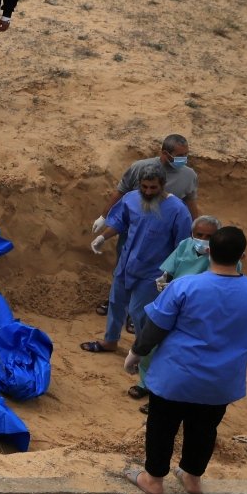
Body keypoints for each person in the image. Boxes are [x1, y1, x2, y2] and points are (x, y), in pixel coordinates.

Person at [130, 225, 247, 494]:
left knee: (162, 426)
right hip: (221, 381)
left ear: (208, 252)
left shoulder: (184, 286)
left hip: (175, 376)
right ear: (242, 255)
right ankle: (192, 478)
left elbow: (155, 328)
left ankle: (153, 480)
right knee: (205, 429)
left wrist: (136, 352)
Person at [83, 172, 194, 354]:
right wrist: (103, 237)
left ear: (162, 185)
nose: (148, 192)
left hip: (153, 271)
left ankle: (142, 352)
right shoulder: (131, 199)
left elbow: (182, 246)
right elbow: (120, 221)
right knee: (116, 302)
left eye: (153, 188)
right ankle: (110, 341)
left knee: (138, 313)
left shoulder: (178, 210)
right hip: (127, 262)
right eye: (144, 187)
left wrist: (171, 273)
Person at [90, 134, 199, 316]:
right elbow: (121, 192)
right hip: (134, 226)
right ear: (165, 153)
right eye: (180, 155)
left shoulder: (188, 175)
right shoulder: (139, 168)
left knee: (155, 273)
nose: (184, 160)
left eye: (186, 155)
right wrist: (104, 216)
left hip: (162, 233)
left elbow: (191, 201)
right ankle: (117, 302)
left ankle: (139, 311)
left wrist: (197, 230)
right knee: (124, 265)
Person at [125, 215, 222, 400]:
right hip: (172, 303)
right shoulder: (186, 245)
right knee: (153, 345)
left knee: (177, 354)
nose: (203, 240)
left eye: (209, 236)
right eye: (199, 234)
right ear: (192, 233)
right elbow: (171, 269)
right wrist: (165, 281)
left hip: (198, 312)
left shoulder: (223, 256)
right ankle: (145, 383)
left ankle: (162, 396)